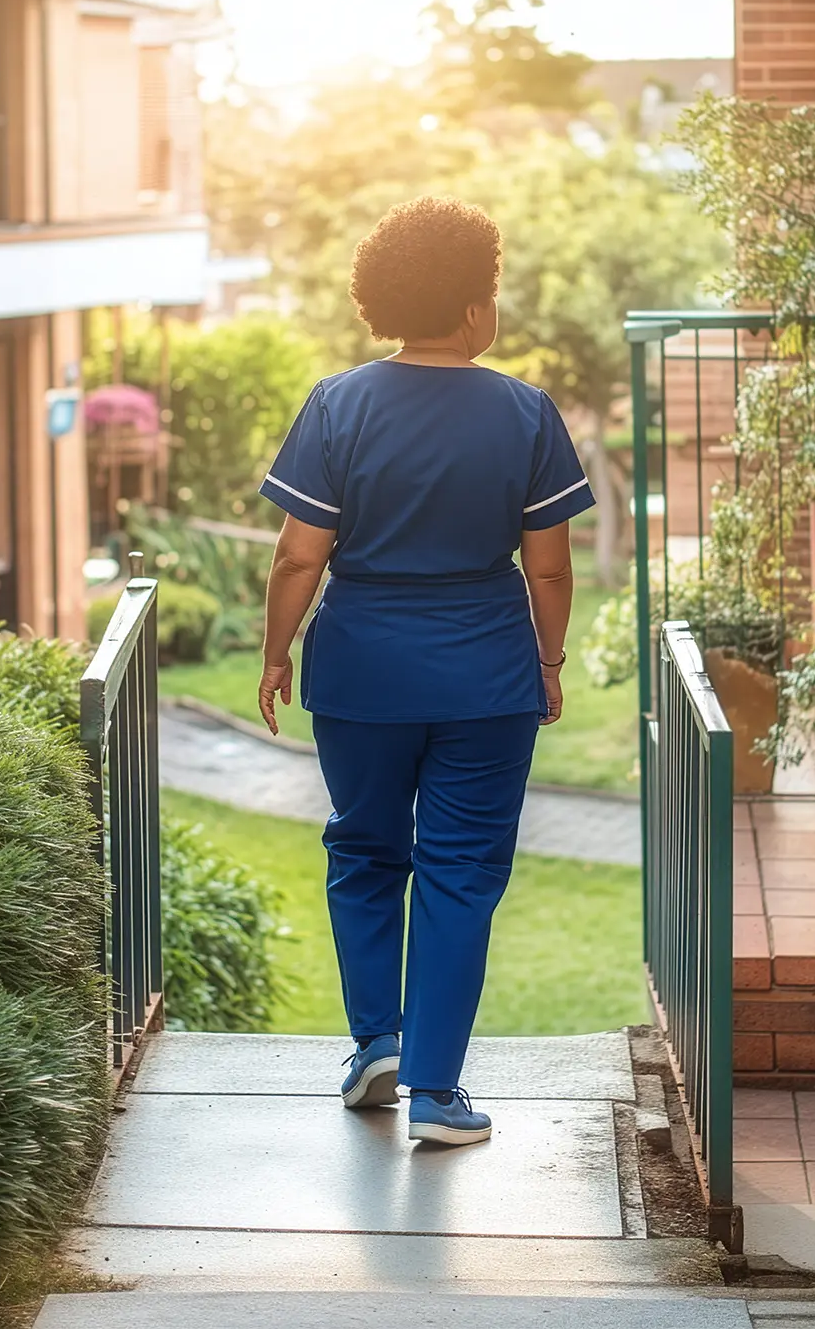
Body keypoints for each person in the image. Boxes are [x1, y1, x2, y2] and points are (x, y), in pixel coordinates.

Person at [255, 196, 591, 1148]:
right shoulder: (527, 414)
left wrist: (279, 650)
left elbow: (297, 556)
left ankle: (375, 1047)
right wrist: (548, 660)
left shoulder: (338, 403)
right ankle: (439, 1094)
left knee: (363, 848)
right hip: (486, 673)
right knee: (462, 870)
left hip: (361, 670)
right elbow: (551, 567)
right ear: (475, 309)